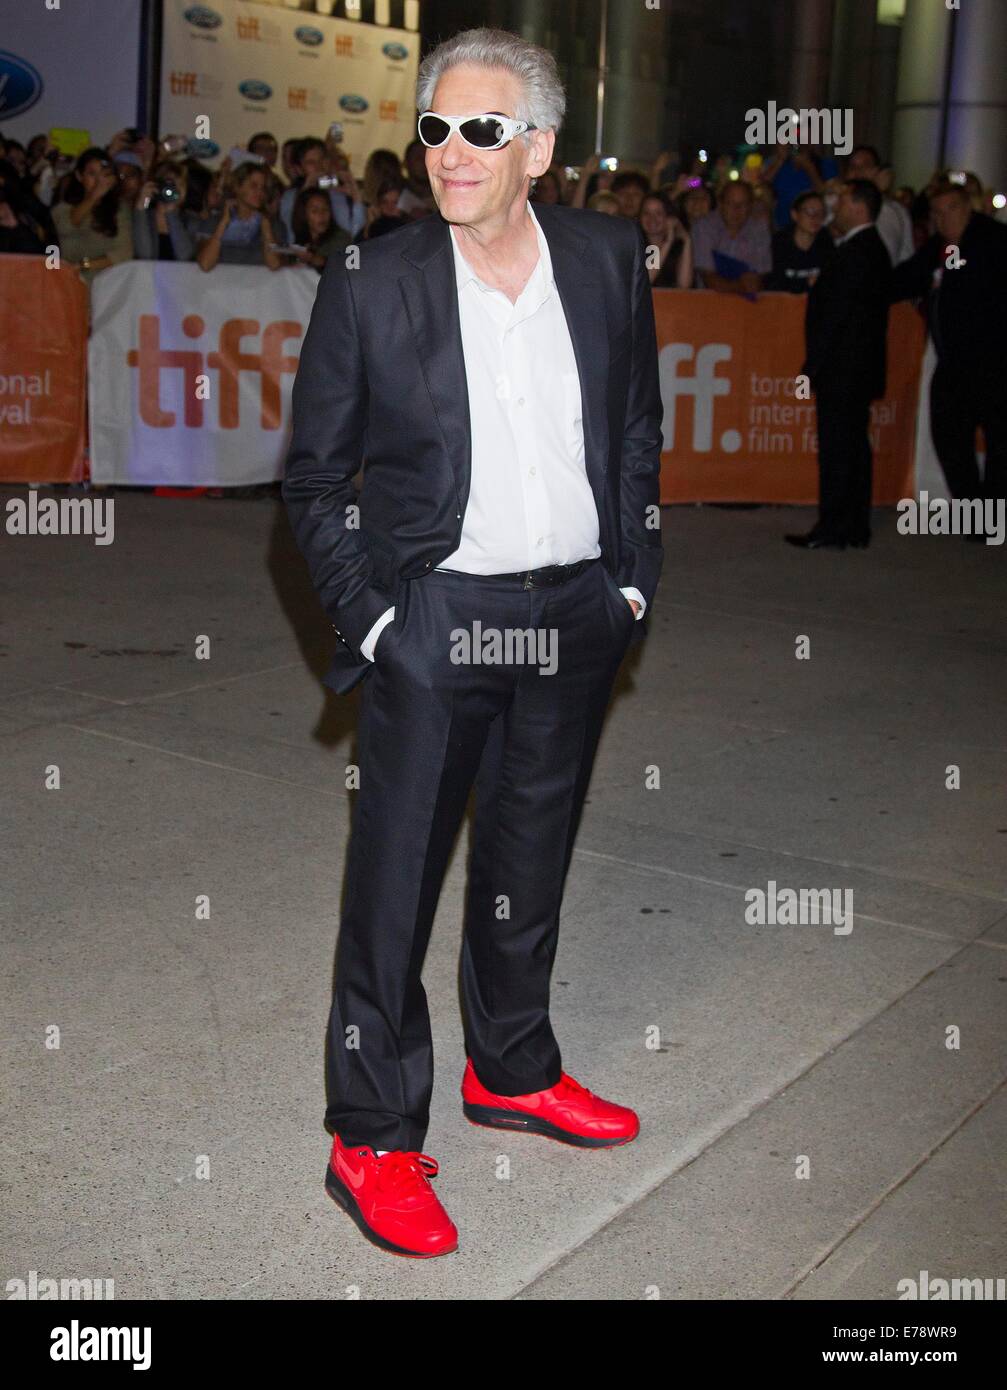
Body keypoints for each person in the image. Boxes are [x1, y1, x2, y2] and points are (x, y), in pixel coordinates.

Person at [283, 24, 663, 1259]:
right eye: (435, 127)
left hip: (573, 613)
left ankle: (511, 1064)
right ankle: (373, 1132)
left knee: (528, 856)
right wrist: (381, 618)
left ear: (538, 148)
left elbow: (634, 436)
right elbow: (311, 480)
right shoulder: (372, 275)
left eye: (480, 131)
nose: (449, 152)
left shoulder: (608, 259)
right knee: (393, 884)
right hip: (438, 618)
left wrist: (630, 587)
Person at [786, 179, 891, 550]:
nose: (836, 206)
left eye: (843, 200)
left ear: (859, 206)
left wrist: (813, 366)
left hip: (844, 370)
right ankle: (852, 525)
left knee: (838, 449)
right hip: (851, 368)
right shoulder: (863, 248)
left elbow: (838, 316)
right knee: (851, 448)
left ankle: (835, 526)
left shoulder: (861, 250)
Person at [890, 179, 1007, 507]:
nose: (944, 218)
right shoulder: (938, 247)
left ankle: (991, 507)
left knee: (999, 440)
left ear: (968, 208)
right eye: (937, 213)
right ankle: (973, 508)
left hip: (993, 362)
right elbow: (906, 277)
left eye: (951, 209)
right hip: (953, 362)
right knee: (949, 438)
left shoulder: (995, 242)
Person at [51, 147, 133, 292]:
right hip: (67, 283)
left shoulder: (119, 209)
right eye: (92, 174)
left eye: (104, 174)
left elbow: (123, 252)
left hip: (106, 285)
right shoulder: (63, 208)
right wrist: (94, 196)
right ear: (79, 175)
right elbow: (64, 227)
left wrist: (84, 265)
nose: (98, 180)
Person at [192, 162, 285, 271]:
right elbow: (205, 264)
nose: (259, 192)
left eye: (263, 188)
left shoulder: (274, 225)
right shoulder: (213, 222)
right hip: (220, 287)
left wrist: (266, 227)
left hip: (258, 287)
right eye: (253, 186)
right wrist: (223, 224)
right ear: (237, 187)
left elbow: (274, 264)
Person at [279, 137, 366, 243]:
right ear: (299, 169)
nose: (319, 166)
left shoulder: (337, 193)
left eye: (322, 160)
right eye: (311, 162)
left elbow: (354, 235)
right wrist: (306, 191)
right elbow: (292, 237)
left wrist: (356, 196)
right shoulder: (290, 197)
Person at [692, 179, 771, 294]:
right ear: (720, 204)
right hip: (709, 300)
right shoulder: (704, 226)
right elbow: (707, 276)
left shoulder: (759, 229)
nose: (736, 210)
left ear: (751, 206)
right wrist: (738, 287)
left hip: (748, 304)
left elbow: (757, 278)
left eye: (742, 204)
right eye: (730, 203)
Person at [845, 145, 914, 265]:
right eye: (853, 167)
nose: (857, 172)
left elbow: (903, 256)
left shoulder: (895, 210)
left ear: (878, 172)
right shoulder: (837, 205)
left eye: (865, 166)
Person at [768, 189, 834, 292]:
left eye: (820, 213)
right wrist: (806, 283)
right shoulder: (780, 242)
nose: (815, 217)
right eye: (809, 211)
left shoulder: (826, 241)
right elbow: (776, 283)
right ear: (795, 215)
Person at [639, 190, 693, 287]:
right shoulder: (635, 244)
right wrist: (668, 242)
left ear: (669, 217)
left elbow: (684, 285)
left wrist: (687, 240)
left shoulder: (676, 247)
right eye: (646, 213)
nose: (652, 218)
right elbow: (646, 281)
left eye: (658, 213)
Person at [289, 186, 351, 270]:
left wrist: (314, 259)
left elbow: (343, 268)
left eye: (325, 209)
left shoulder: (341, 238)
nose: (322, 215)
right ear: (303, 214)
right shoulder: (300, 239)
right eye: (315, 211)